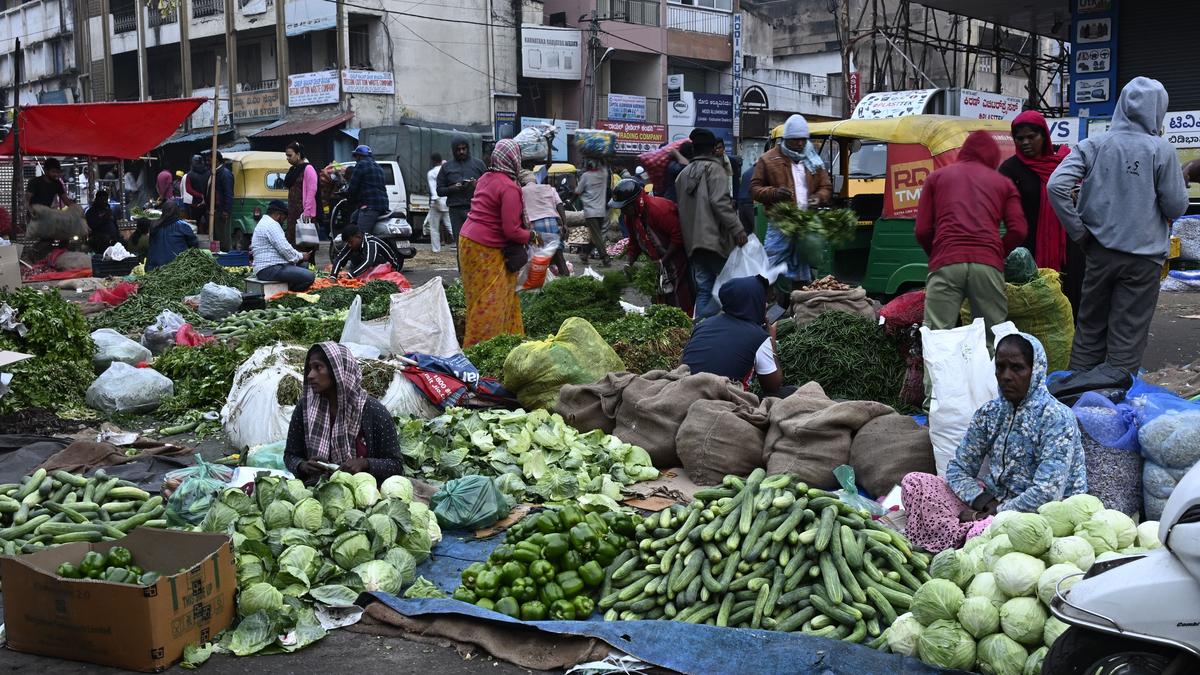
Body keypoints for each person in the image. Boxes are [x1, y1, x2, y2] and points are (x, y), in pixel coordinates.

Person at [1048, 77, 1190, 377]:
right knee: (1126, 337)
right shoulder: (1160, 149)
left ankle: (1076, 399)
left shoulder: (1093, 145)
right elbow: (1176, 206)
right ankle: (1112, 405)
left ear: (1122, 106)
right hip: (1143, 260)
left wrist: (1079, 232)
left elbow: (1057, 186)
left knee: (1089, 332)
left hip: (1098, 253)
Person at [901, 333, 1088, 552]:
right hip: (992, 502)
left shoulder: (1056, 418)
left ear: (1035, 371)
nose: (1006, 376)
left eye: (1017, 368)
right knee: (915, 483)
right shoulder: (990, 413)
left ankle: (966, 531)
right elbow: (958, 469)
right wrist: (982, 500)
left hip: (1038, 517)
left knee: (982, 533)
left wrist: (996, 514)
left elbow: (1047, 493)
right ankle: (968, 531)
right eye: (1000, 367)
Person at [915, 130, 1027, 337]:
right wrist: (995, 252)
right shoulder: (1003, 183)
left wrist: (939, 253)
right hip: (988, 264)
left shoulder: (936, 178)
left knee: (937, 338)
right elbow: (1019, 230)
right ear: (993, 156)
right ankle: (993, 368)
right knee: (993, 336)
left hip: (946, 262)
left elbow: (922, 230)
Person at [284, 342, 405, 484]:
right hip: (316, 490)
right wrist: (302, 466)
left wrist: (365, 463)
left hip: (364, 493)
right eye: (310, 368)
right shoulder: (305, 408)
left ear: (338, 371)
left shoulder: (373, 411)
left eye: (318, 367)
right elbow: (290, 455)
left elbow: (396, 465)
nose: (310, 375)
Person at [998, 110, 1082, 312]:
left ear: (1044, 135)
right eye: (1019, 138)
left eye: (1031, 136)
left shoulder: (1066, 161)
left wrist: (1076, 195)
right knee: (1036, 303)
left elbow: (1085, 190)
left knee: (1073, 297)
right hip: (1029, 248)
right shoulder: (1010, 170)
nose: (1025, 142)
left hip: (1068, 246)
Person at [750, 114, 833, 300]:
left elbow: (826, 187)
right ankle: (763, 305)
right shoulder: (768, 159)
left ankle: (799, 307)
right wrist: (774, 193)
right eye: (795, 140)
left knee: (802, 269)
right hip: (780, 223)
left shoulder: (813, 160)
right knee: (769, 267)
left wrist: (818, 198)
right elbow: (755, 189)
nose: (800, 144)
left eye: (803, 140)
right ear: (785, 139)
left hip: (805, 224)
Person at [458, 138, 532, 347]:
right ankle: (481, 351)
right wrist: (531, 236)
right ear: (513, 159)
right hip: (485, 249)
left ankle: (510, 342)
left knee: (482, 299)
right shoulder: (509, 187)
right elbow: (511, 230)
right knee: (490, 302)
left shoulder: (485, 178)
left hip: (468, 242)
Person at [676, 128, 748, 320]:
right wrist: (737, 229)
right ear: (712, 149)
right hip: (715, 242)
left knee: (705, 288)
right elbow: (720, 202)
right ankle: (709, 324)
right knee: (728, 286)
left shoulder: (682, 175)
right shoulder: (715, 169)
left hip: (693, 244)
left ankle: (698, 329)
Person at [682, 276, 791, 397]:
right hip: (717, 399)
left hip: (684, 390)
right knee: (788, 392)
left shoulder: (703, 325)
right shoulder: (758, 336)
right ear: (753, 302)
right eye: (761, 299)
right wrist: (771, 339)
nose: (765, 305)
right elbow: (773, 387)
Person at [610, 178, 693, 315]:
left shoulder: (658, 209)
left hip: (675, 259)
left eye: (624, 208)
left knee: (678, 295)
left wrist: (663, 260)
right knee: (659, 295)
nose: (623, 211)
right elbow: (634, 243)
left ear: (634, 202)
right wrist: (628, 264)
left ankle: (686, 324)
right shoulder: (629, 217)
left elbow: (678, 237)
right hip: (656, 261)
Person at [251, 199, 315, 291]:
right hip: (270, 269)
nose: (284, 221)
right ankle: (290, 292)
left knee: (304, 266)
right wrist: (301, 256)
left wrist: (298, 256)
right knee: (309, 276)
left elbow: (284, 248)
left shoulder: (264, 222)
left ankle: (288, 287)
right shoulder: (272, 225)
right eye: (284, 218)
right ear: (278, 215)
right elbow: (284, 249)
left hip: (268, 268)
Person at [520, 170, 570, 278]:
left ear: (523, 182)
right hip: (551, 224)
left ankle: (540, 284)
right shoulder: (549, 188)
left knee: (538, 258)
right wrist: (565, 224)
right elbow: (559, 205)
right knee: (559, 256)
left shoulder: (521, 191)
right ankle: (567, 279)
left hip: (533, 227)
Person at [438, 136, 487, 240]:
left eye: (464, 149)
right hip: (456, 210)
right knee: (460, 241)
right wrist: (453, 188)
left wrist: (477, 185)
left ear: (468, 149)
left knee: (476, 240)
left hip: (475, 209)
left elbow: (489, 187)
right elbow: (439, 190)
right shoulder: (446, 167)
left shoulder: (479, 164)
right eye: (458, 149)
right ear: (453, 150)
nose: (461, 152)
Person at [345, 144, 390, 236]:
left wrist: (349, 196)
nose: (356, 158)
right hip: (383, 205)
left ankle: (363, 249)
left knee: (360, 235)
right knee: (354, 217)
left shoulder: (361, 165)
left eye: (356, 156)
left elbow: (353, 187)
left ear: (360, 156)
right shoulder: (379, 167)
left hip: (370, 206)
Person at [574, 159, 611, 266]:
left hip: (590, 211)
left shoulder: (585, 176)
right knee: (597, 235)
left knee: (596, 236)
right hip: (601, 211)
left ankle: (603, 257)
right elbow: (604, 164)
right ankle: (587, 254)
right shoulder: (603, 175)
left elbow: (577, 192)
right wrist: (601, 156)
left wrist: (569, 201)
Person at [146, 201, 200, 271]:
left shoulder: (155, 225)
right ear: (177, 211)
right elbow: (194, 245)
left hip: (153, 268)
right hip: (177, 268)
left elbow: (151, 245)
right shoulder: (182, 226)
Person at [331, 224, 400, 278]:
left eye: (350, 242)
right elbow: (339, 259)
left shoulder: (371, 242)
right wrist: (333, 276)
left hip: (388, 267)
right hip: (371, 269)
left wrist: (350, 275)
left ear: (358, 237)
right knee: (352, 253)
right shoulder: (353, 243)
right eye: (347, 243)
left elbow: (368, 262)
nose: (349, 245)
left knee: (359, 259)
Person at [284, 141, 319, 246]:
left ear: (298, 155)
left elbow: (312, 191)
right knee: (293, 244)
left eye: (290, 155)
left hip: (304, 214)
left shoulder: (308, 169)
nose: (288, 158)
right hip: (293, 213)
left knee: (307, 245)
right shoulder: (293, 170)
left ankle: (311, 264)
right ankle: (296, 263)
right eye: (287, 156)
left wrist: (307, 212)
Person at [424, 153, 453, 253]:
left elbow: (433, 188)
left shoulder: (431, 173)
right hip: (446, 200)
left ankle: (436, 249)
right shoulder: (446, 170)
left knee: (434, 227)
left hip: (436, 202)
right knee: (450, 225)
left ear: (433, 161)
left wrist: (435, 199)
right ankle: (459, 243)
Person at [210, 152, 235, 250]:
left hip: (221, 210)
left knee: (222, 235)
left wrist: (226, 210)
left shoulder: (225, 174)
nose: (208, 162)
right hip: (216, 209)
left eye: (209, 160)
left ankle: (225, 253)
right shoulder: (215, 173)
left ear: (216, 160)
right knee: (217, 234)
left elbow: (228, 193)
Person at [184, 155, 209, 221]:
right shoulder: (209, 172)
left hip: (196, 203)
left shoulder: (189, 174)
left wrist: (200, 195)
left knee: (195, 223)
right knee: (209, 224)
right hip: (208, 202)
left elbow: (188, 189)